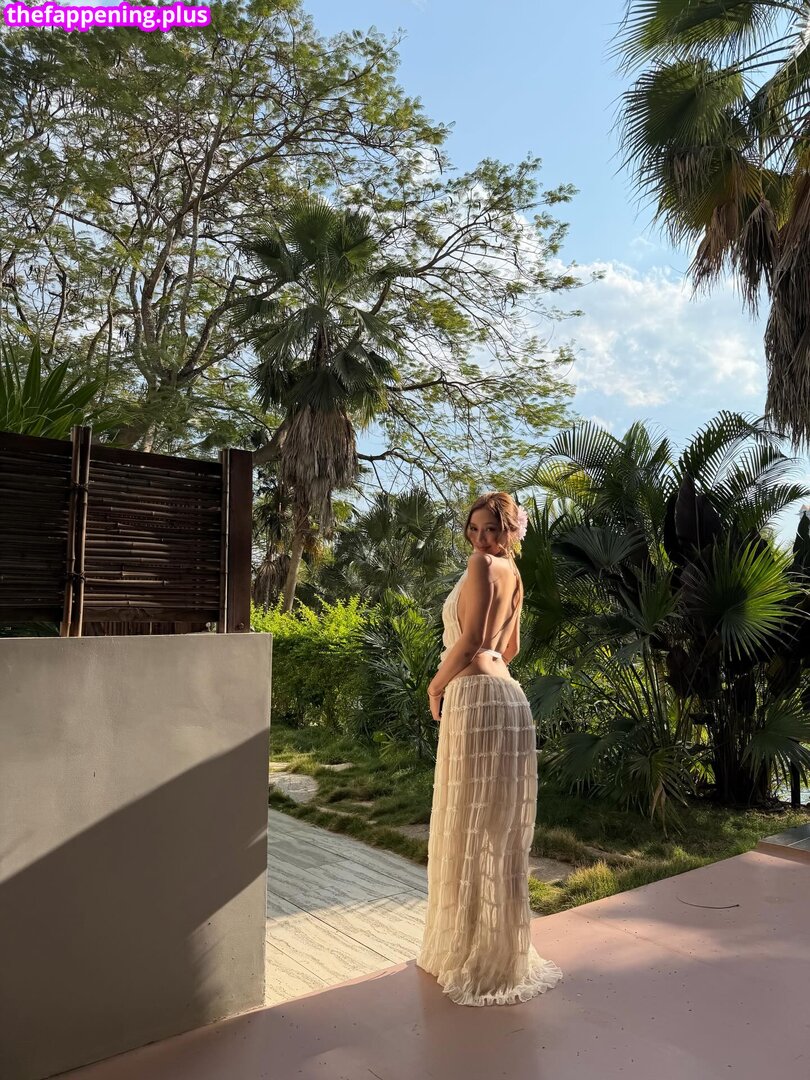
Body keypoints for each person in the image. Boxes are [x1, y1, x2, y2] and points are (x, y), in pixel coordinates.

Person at [415, 491, 563, 1006]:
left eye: (492, 529)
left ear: (509, 532)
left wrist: (435, 686)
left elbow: (473, 639)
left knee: (468, 822)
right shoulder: (514, 575)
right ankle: (499, 954)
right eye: (475, 529)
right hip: (509, 699)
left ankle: (469, 953)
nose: (481, 539)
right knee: (497, 830)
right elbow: (510, 647)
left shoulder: (480, 566)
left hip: (475, 697)